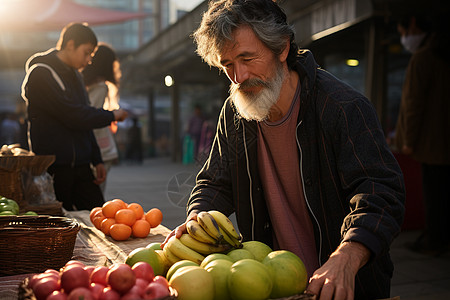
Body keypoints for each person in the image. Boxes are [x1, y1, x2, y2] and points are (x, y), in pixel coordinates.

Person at [162, 1, 405, 299]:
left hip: (345, 285)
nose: (238, 77)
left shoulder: (343, 107)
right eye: (227, 65)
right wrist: (198, 218)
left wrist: (348, 255)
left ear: (282, 49)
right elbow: (215, 182)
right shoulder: (234, 113)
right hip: (268, 285)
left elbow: (381, 192)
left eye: (247, 58)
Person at [21, 23, 128, 211]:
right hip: (54, 166)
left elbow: (84, 118)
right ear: (70, 45)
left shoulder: (76, 76)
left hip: (82, 166)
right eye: (86, 53)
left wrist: (97, 159)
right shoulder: (41, 73)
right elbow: (72, 114)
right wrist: (111, 115)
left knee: (98, 216)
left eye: (91, 55)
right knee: (59, 225)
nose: (88, 61)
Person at [394, 13, 450, 255]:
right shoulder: (441, 56)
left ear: (413, 23)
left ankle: (434, 240)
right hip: (442, 142)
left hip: (431, 144)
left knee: (434, 194)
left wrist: (407, 141)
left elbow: (412, 104)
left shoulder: (423, 58)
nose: (404, 38)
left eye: (402, 32)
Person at [82, 43, 121, 194]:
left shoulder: (84, 84)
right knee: (96, 191)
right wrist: (114, 115)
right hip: (100, 149)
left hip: (89, 147)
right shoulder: (100, 86)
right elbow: (93, 117)